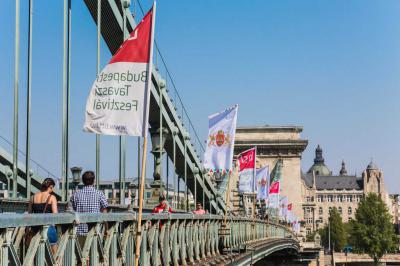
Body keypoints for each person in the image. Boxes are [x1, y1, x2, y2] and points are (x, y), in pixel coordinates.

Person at [70, 171, 108, 248]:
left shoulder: (76, 194)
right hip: (95, 231)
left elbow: (71, 211)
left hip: (79, 231)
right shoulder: (99, 194)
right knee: (93, 257)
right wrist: (106, 228)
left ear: (83, 181)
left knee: (80, 257)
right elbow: (104, 211)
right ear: (93, 180)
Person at [30, 178, 58, 254]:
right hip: (49, 229)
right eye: (53, 188)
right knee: (54, 258)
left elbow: (29, 214)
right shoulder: (52, 198)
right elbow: (56, 215)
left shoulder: (32, 197)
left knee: (37, 256)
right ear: (51, 186)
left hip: (36, 230)